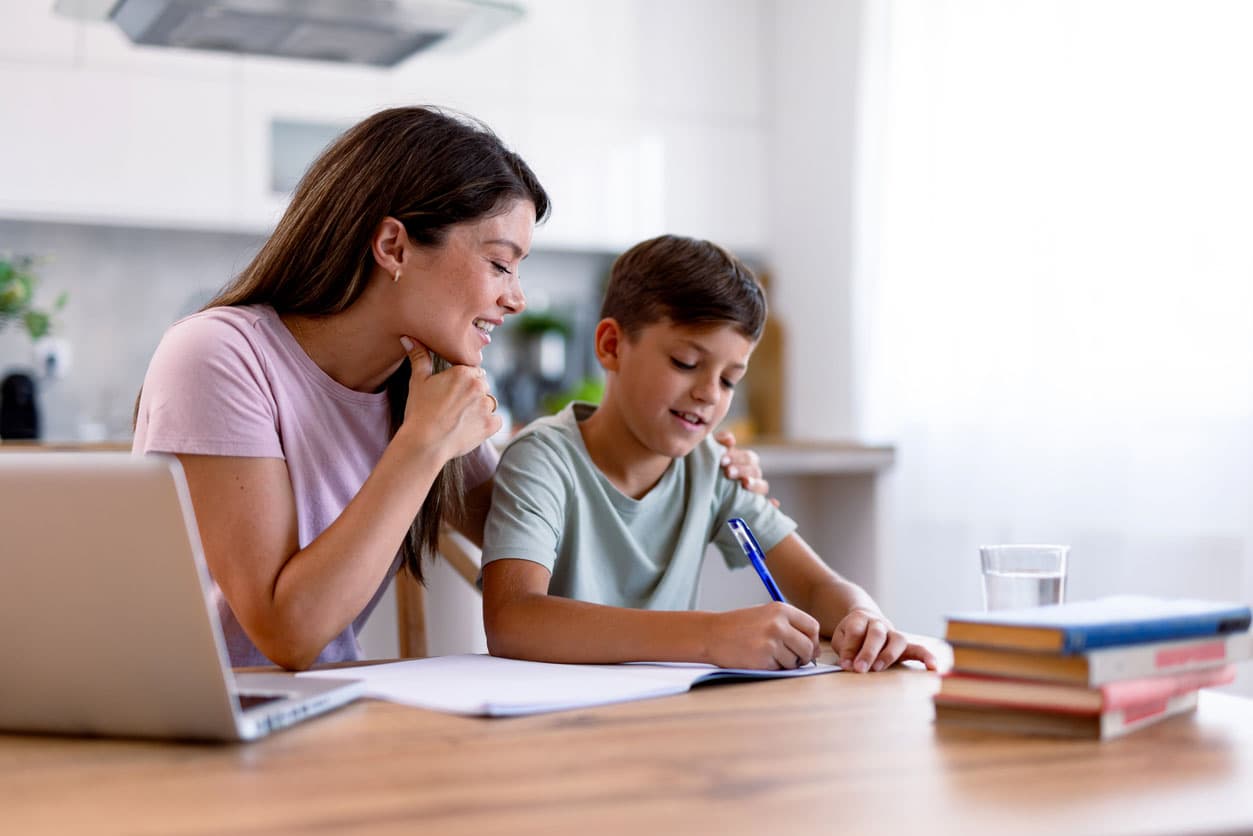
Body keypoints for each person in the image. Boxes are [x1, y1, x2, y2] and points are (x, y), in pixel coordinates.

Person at [133, 107, 767, 671]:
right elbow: (287, 634)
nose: (516, 299)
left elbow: (545, 544)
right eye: (499, 264)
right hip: (187, 720)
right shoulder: (219, 355)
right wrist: (422, 445)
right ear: (393, 246)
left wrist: (686, 478)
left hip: (321, 711)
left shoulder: (425, 388)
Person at [481, 235, 938, 672]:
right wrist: (710, 635)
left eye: (728, 379)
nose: (709, 394)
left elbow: (818, 586)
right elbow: (513, 620)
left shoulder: (713, 468)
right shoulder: (542, 460)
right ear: (611, 346)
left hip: (668, 712)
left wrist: (865, 618)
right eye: (685, 363)